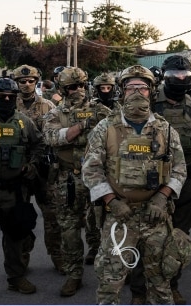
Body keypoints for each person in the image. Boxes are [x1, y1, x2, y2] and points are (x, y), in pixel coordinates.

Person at [81, 65, 188, 304]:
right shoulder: (105, 128)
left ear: (151, 92)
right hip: (119, 217)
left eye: (142, 88)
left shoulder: (165, 129)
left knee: (160, 283)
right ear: (122, 91)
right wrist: (112, 201)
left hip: (155, 217)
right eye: (131, 88)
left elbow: (180, 168)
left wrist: (162, 197)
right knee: (110, 283)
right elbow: (91, 170)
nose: (137, 93)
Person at [137, 55, 191, 304]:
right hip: (152, 181)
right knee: (146, 237)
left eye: (185, 76)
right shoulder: (150, 102)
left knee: (178, 238)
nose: (181, 80)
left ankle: (171, 285)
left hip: (186, 182)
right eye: (176, 76)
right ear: (165, 77)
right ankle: (139, 290)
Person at [0, 77, 45, 300]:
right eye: (1, 96)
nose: (5, 100)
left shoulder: (23, 122)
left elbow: (39, 145)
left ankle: (16, 277)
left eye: (10, 97)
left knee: (16, 237)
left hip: (14, 191)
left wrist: (31, 165)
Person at [42, 67, 111, 297]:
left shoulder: (102, 110)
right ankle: (74, 274)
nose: (78, 90)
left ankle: (112, 271)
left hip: (99, 176)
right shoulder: (55, 113)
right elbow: (52, 137)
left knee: (105, 224)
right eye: (72, 87)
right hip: (69, 178)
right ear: (63, 89)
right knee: (69, 228)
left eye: (81, 85)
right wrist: (82, 126)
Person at [11, 65, 63, 274]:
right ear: (16, 83)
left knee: (52, 216)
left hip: (43, 169)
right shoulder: (8, 104)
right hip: (18, 169)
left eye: (30, 81)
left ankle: (57, 256)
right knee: (20, 216)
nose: (26, 84)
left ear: (36, 82)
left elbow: (55, 135)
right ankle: (22, 258)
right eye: (22, 81)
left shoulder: (48, 106)